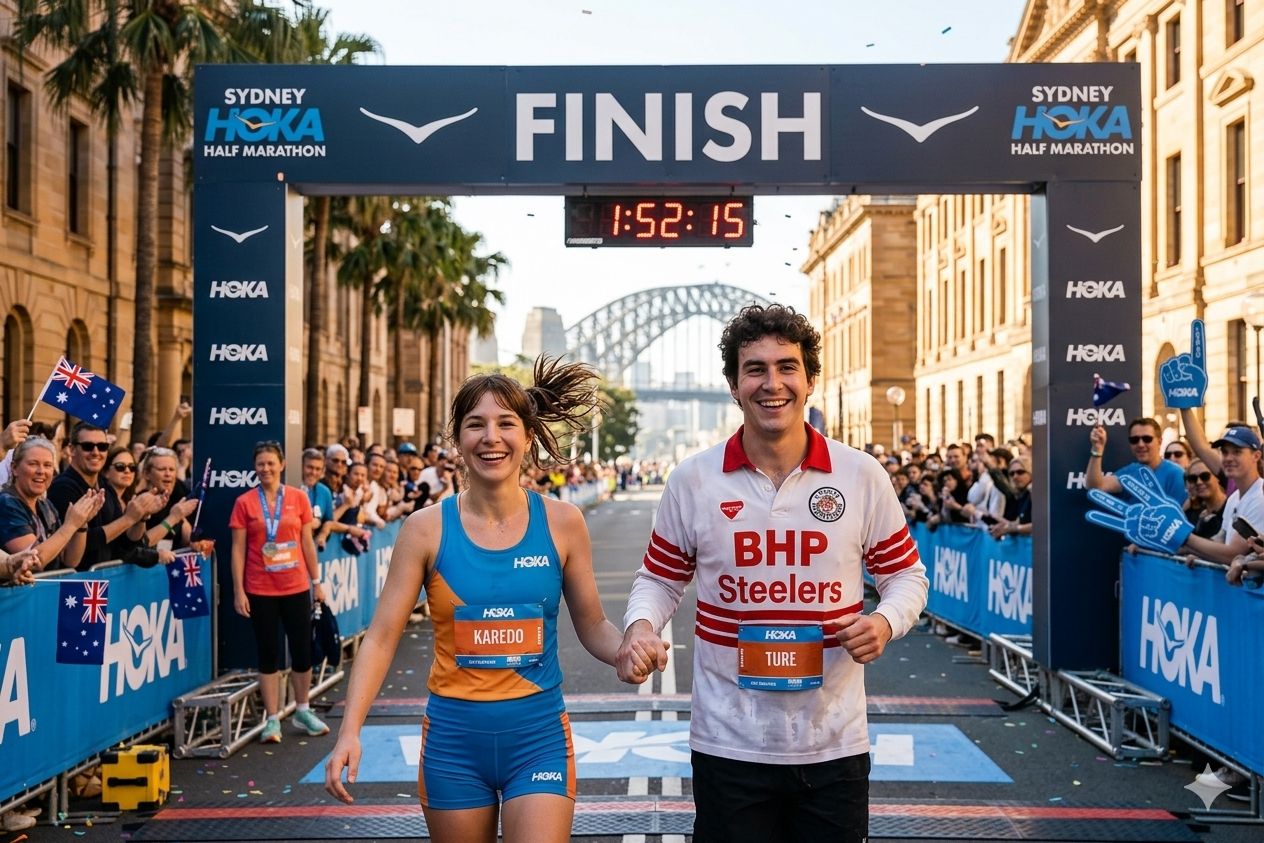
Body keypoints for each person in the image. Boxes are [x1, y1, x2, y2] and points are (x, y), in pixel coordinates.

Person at [616, 304, 928, 843]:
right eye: (755, 368)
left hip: (835, 741)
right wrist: (641, 625)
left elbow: (906, 576)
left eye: (787, 367)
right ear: (734, 385)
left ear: (810, 380)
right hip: (727, 741)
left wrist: (886, 621)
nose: (772, 383)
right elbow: (661, 579)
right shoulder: (693, 480)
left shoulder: (861, 475)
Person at [325, 357, 641, 843]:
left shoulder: (563, 523)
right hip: (454, 745)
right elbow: (383, 637)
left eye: (506, 424)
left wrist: (626, 650)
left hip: (538, 740)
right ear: (458, 440)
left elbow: (593, 624)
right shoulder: (425, 529)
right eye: (476, 424)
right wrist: (350, 730)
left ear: (528, 436)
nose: (491, 437)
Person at [230, 441, 331, 744]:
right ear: (255, 467)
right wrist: (238, 591)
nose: (265, 469)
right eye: (260, 464)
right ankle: (272, 718)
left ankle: (302, 708)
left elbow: (307, 543)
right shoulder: (245, 502)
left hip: (296, 586)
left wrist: (317, 582)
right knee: (268, 653)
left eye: (271, 463)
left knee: (302, 650)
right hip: (260, 588)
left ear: (282, 465)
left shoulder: (298, 498)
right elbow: (237, 550)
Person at [0, 437, 104, 569]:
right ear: (14, 468)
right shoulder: (6, 503)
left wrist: (82, 524)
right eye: (33, 464)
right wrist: (71, 525)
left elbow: (70, 560)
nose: (41, 471)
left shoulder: (46, 505)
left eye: (48, 465)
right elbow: (33, 561)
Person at [1086, 418, 1187, 505]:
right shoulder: (1130, 472)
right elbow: (1096, 487)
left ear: (1159, 441)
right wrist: (1097, 448)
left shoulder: (1176, 473)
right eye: (1134, 440)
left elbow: (1181, 516)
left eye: (1147, 439)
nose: (1140, 444)